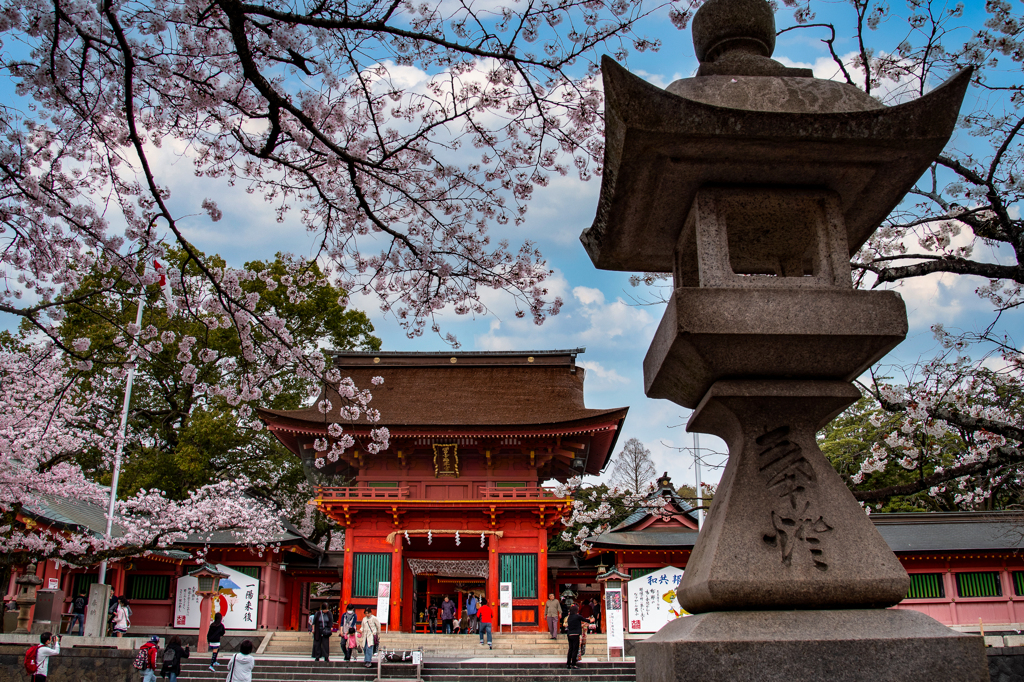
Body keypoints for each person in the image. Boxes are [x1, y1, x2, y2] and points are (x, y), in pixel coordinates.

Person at [565, 604, 583, 670]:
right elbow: (585, 620)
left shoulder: (569, 617)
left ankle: (568, 663)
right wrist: (591, 620)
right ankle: (573, 664)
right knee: (575, 650)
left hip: (569, 634)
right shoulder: (577, 616)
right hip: (575, 634)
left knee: (570, 649)